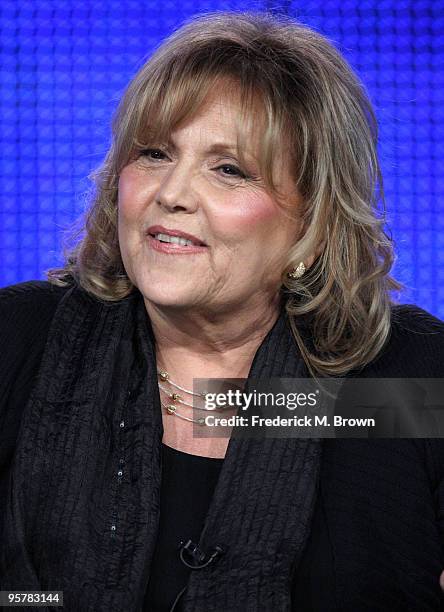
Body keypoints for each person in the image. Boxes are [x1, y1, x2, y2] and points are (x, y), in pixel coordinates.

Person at [0, 10, 443, 612]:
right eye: (154, 153)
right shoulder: (20, 343)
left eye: (228, 169)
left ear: (313, 223)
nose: (172, 194)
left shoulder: (412, 384)